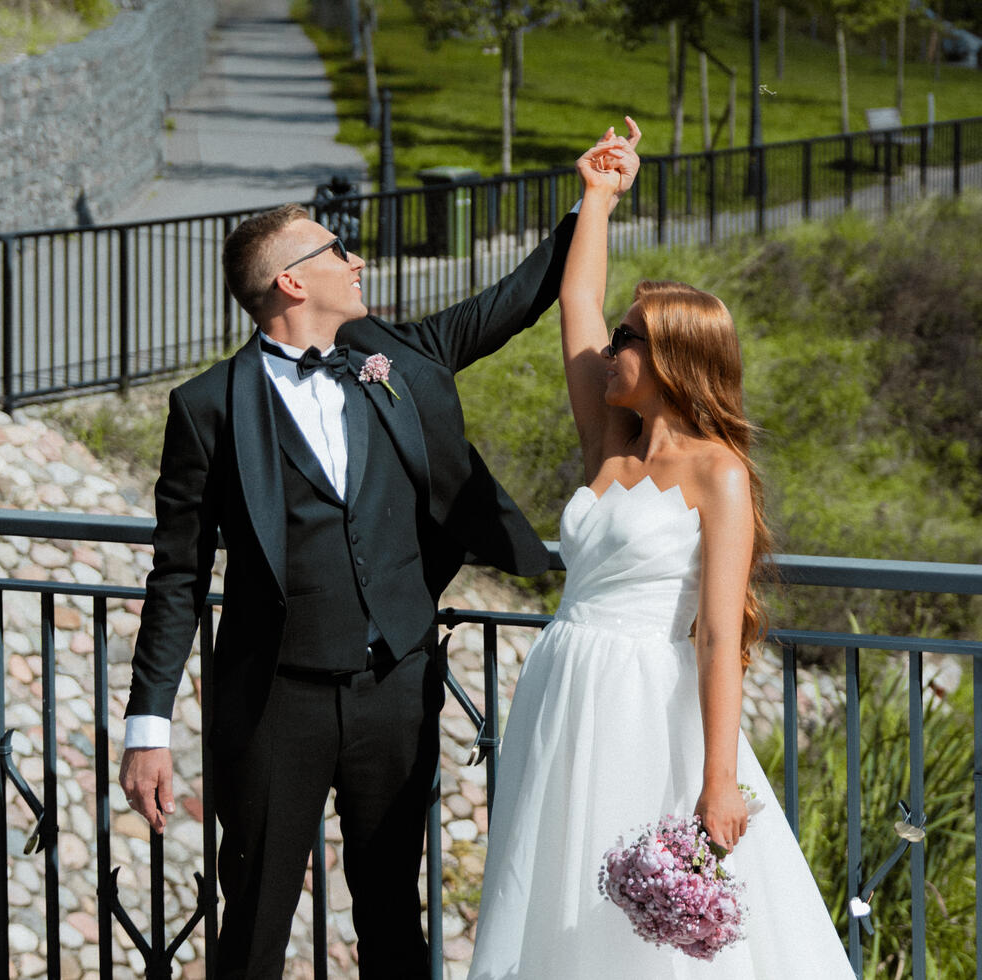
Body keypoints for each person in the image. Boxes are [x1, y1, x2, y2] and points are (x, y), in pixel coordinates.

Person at [118, 126, 609, 978]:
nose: (355, 260)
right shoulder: (207, 408)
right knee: (256, 924)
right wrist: (147, 728)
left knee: (390, 912)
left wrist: (593, 199)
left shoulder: (398, 359)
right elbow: (180, 575)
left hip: (398, 687)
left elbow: (513, 301)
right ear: (291, 280)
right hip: (275, 698)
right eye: (336, 247)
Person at [469, 121, 855, 978]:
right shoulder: (607, 443)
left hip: (648, 700)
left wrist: (720, 778)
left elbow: (720, 635)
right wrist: (597, 198)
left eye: (629, 338)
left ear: (676, 356)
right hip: (563, 683)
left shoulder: (720, 475)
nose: (610, 348)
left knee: (650, 916)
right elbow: (575, 306)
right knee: (554, 887)